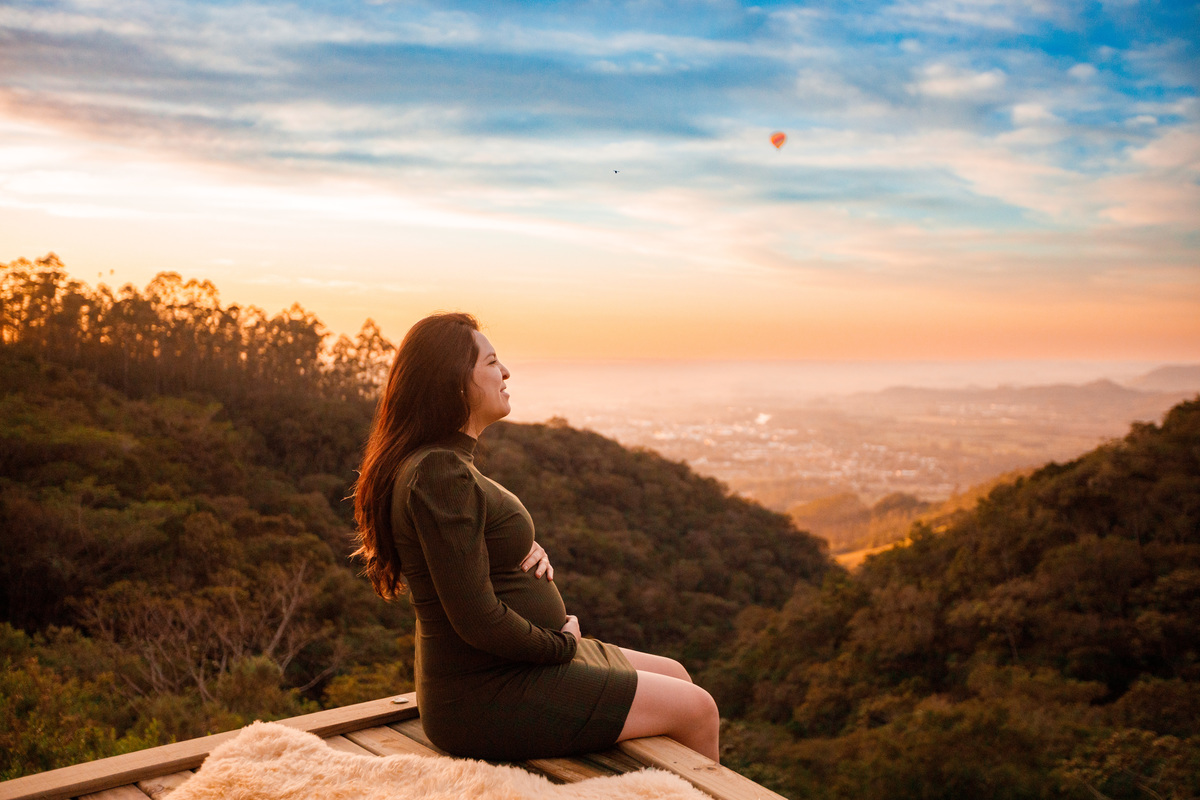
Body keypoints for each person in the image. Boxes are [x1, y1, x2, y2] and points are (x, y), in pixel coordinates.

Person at [352, 312, 719, 762]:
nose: (505, 373)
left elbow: (467, 548)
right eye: (491, 363)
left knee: (679, 675)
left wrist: (514, 548)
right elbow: (476, 618)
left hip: (512, 668)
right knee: (698, 710)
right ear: (453, 382)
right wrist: (560, 645)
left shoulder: (444, 464)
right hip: (486, 692)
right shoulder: (438, 470)